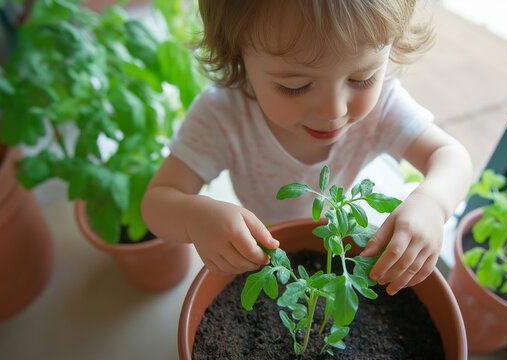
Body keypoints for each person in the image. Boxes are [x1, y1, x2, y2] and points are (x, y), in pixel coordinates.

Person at [141, 0, 473, 295]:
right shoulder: (223, 115)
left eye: (362, 78)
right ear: (237, 55)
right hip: (264, 248)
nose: (335, 111)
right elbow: (156, 204)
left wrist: (432, 203)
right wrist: (194, 218)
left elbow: (451, 157)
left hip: (330, 242)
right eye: (295, 86)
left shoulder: (384, 104)